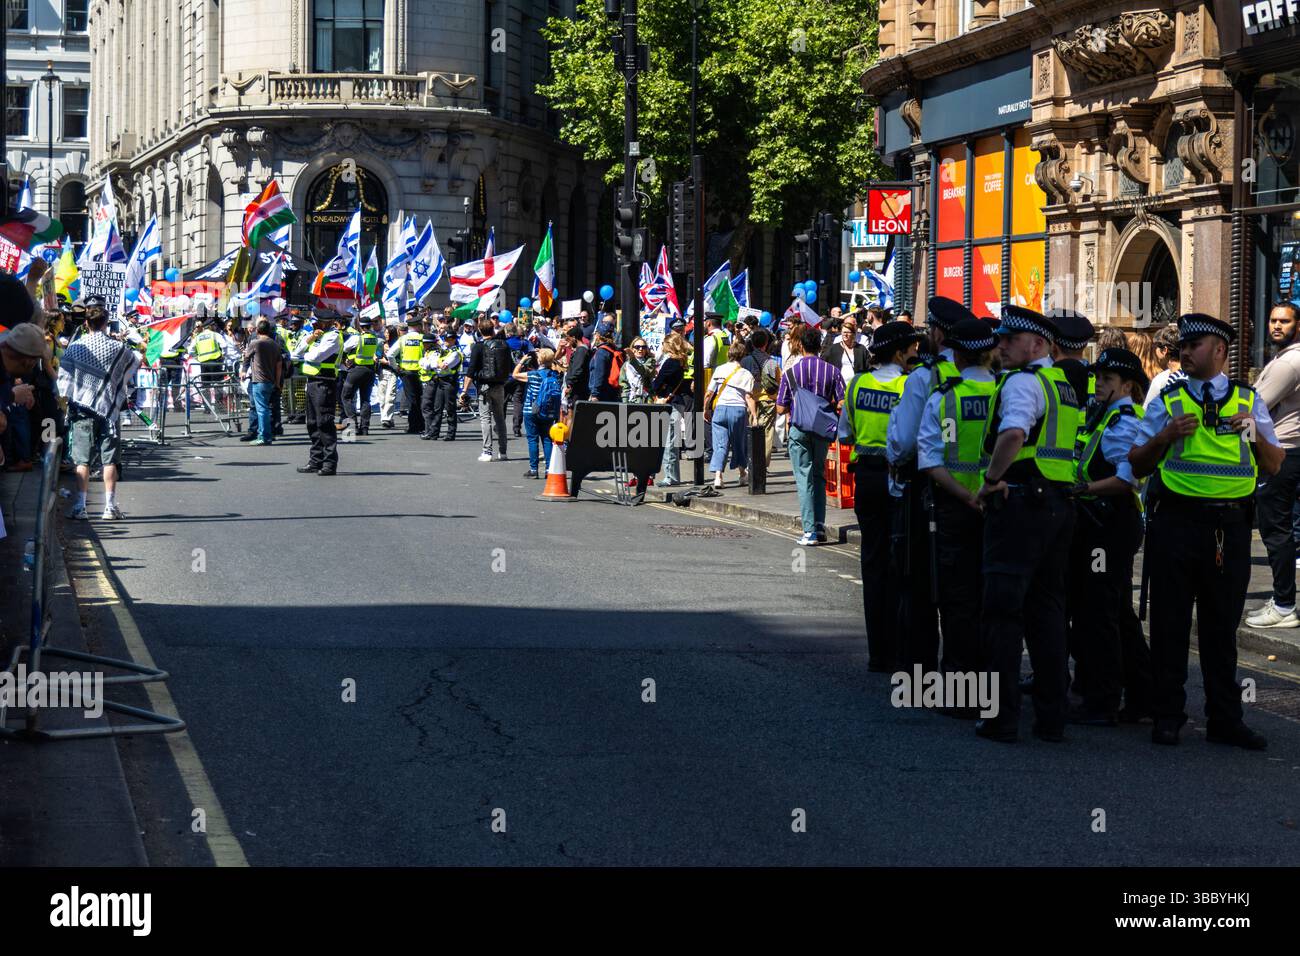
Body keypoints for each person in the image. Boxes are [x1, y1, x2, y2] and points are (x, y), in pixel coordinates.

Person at [1129, 313, 1284, 750]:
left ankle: (1224, 719)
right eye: (1183, 344)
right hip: (1176, 522)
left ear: (1220, 351)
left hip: (1230, 529)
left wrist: (1252, 432)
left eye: (1195, 345)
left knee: (1220, 629)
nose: (1185, 351)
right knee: (1170, 624)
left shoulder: (1248, 401)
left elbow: (1273, 464)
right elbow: (1137, 462)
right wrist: (1164, 437)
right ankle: (1167, 715)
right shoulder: (1168, 399)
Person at [974, 306, 1079, 744]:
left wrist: (992, 480)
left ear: (1037, 344)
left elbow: (1014, 434)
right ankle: (1052, 720)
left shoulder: (1022, 381)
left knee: (1002, 613)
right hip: (1058, 505)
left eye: (1009, 338)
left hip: (1020, 502)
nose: (1000, 345)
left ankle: (1001, 718)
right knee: (1048, 613)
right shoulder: (1064, 384)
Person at [1066, 347, 1151, 725]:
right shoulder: (1106, 414)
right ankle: (1140, 694)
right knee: (1111, 610)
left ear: (1128, 385)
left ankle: (1104, 700)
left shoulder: (1127, 420)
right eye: (1097, 376)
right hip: (1098, 523)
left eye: (1107, 379)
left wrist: (1083, 490)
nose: (1098, 383)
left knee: (1100, 611)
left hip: (1110, 526)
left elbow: (1126, 478)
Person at [887, 296, 969, 675]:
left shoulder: (924, 377)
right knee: (967, 594)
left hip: (928, 493)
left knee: (919, 586)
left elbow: (904, 443)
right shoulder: (991, 377)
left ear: (938, 333)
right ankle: (969, 677)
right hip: (981, 496)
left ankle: (919, 674)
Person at [917, 318, 998, 692]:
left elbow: (931, 461)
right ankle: (995, 688)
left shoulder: (945, 396)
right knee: (994, 600)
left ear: (959, 356)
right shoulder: (1007, 392)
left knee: (956, 600)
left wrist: (967, 496)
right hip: (1000, 508)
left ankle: (960, 691)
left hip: (955, 507)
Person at [838, 320, 921, 670]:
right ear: (900, 353)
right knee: (902, 564)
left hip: (867, 478)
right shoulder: (909, 386)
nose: (916, 354)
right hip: (899, 478)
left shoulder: (857, 384)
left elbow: (845, 434)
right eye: (912, 350)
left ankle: (879, 654)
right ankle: (904, 650)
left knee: (872, 564)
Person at [55, 310, 142, 519]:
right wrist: (117, 383)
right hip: (108, 410)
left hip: (81, 409)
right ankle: (110, 507)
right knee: (109, 460)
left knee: (82, 460)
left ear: (86, 323)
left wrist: (65, 401)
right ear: (106, 324)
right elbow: (135, 360)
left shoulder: (76, 346)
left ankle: (81, 507)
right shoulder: (118, 347)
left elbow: (64, 377)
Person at [1246, 302, 1300, 628]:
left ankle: (1283, 606)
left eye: (1285, 321)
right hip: (1291, 450)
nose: (1277, 326)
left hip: (1282, 452)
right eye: (1273, 320)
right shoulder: (1286, 358)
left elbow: (1255, 405)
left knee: (1276, 530)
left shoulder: (1289, 364)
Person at [777, 325, 845, 545]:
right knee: (818, 476)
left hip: (799, 429)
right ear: (819, 346)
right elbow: (842, 401)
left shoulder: (791, 373)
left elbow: (780, 407)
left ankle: (809, 531)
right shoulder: (832, 371)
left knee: (804, 479)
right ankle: (819, 526)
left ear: (801, 345)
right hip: (822, 430)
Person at [292, 309, 345, 476]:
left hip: (325, 382)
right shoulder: (318, 336)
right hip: (313, 382)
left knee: (324, 423)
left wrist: (303, 356)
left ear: (325, 322)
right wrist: (311, 338)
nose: (313, 324)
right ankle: (316, 460)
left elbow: (316, 356)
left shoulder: (333, 336)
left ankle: (329, 463)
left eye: (317, 321)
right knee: (312, 423)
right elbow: (296, 351)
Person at [703, 337, 758, 489]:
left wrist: (706, 409)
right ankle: (742, 474)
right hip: (738, 410)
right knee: (739, 444)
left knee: (720, 445)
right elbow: (749, 397)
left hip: (720, 410)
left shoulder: (719, 370)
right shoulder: (746, 374)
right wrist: (754, 415)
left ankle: (718, 477)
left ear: (729, 355)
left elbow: (709, 393)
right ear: (743, 356)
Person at [462, 317, 512, 462]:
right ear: (492, 329)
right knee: (500, 418)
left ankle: (487, 451)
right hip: (500, 384)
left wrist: (464, 390)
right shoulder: (503, 345)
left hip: (484, 386)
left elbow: (471, 371)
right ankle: (503, 452)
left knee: (485, 419)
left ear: (479, 330)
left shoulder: (478, 346)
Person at [651, 332, 693, 487]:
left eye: (664, 343)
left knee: (670, 442)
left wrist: (659, 386)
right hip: (677, 401)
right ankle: (672, 476)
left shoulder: (671, 362)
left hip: (671, 403)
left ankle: (671, 477)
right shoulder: (681, 362)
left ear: (669, 345)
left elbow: (656, 384)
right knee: (671, 441)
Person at [514, 347, 561, 478]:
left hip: (531, 409)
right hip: (548, 411)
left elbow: (515, 374)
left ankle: (534, 470)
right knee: (547, 439)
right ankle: (548, 469)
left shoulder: (533, 375)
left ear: (539, 360)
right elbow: (561, 368)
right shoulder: (555, 374)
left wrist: (523, 360)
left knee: (532, 440)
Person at [741, 328, 781, 466]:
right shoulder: (771, 362)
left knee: (750, 431)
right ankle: (762, 464)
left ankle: (751, 462)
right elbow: (778, 382)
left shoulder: (745, 361)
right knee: (767, 432)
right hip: (768, 400)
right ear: (765, 344)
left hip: (749, 399)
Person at [239, 319, 282, 446]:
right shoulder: (274, 344)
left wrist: (243, 370)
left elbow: (246, 357)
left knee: (261, 410)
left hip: (259, 380)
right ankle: (267, 434)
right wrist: (278, 381)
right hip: (271, 381)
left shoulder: (255, 343)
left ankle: (264, 436)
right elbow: (279, 364)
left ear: (258, 330)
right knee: (267, 409)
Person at [339, 317, 380, 436]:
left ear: (360, 326)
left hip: (356, 370)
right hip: (370, 371)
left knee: (346, 397)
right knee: (365, 399)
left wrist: (346, 359)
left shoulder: (357, 338)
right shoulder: (374, 338)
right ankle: (365, 428)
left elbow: (344, 348)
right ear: (370, 326)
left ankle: (353, 426)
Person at [422, 331, 463, 441]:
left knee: (450, 408)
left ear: (454, 339)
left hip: (450, 381)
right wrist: (435, 364)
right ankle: (434, 433)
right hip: (441, 380)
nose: (446, 341)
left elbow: (444, 366)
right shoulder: (444, 351)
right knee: (437, 407)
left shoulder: (456, 353)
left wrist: (435, 364)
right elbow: (430, 364)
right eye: (445, 339)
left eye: (449, 339)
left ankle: (451, 433)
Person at [388, 318, 425, 434]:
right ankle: (421, 425)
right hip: (420, 373)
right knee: (420, 399)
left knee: (412, 400)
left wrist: (396, 367)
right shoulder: (422, 338)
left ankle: (414, 426)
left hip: (406, 373)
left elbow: (390, 355)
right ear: (418, 326)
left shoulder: (403, 339)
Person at [1144, 322, 1186, 408]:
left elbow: (1148, 414)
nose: (1154, 350)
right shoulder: (1196, 374)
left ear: (1164, 350)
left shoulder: (1161, 381)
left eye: (1155, 346)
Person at [821, 314, 871, 387]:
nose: (845, 335)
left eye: (848, 332)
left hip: (856, 386)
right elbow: (823, 362)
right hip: (839, 387)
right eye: (844, 332)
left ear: (853, 334)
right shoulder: (834, 348)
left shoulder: (861, 349)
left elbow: (868, 367)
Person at [588, 321, 623, 403]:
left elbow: (599, 374)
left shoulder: (601, 352)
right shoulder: (612, 349)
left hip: (601, 395)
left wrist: (595, 395)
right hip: (612, 393)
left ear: (597, 335)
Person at [619, 337, 656, 404]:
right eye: (637, 347)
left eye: (643, 347)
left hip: (646, 400)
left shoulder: (651, 361)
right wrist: (625, 402)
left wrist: (633, 359)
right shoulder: (626, 365)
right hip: (630, 400)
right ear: (632, 349)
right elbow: (624, 385)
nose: (640, 349)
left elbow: (644, 371)